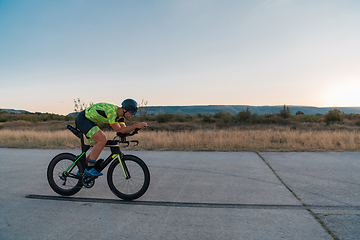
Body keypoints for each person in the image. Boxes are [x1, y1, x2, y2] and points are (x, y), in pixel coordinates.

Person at [75, 99, 147, 176]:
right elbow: (118, 130)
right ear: (125, 109)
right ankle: (89, 168)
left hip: (90, 122)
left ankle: (82, 168)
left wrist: (135, 129)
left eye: (135, 113)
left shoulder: (120, 117)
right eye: (132, 112)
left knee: (96, 145)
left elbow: (123, 131)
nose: (133, 115)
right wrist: (136, 125)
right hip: (83, 120)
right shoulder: (111, 112)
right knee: (102, 140)